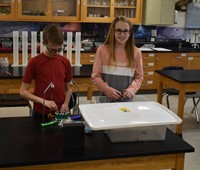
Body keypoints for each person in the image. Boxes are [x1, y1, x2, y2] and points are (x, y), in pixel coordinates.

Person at [20, 23, 72, 120]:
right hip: (41, 112)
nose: (56, 53)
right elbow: (23, 91)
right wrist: (44, 101)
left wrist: (65, 103)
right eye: (52, 50)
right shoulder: (34, 62)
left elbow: (68, 89)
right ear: (44, 43)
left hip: (61, 111)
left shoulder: (65, 62)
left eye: (59, 49)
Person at [91, 16, 143, 103]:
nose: (122, 34)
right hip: (106, 100)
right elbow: (96, 76)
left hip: (127, 101)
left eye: (125, 31)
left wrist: (131, 90)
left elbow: (138, 77)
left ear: (130, 33)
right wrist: (107, 90)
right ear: (113, 32)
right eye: (118, 30)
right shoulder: (102, 50)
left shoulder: (136, 52)